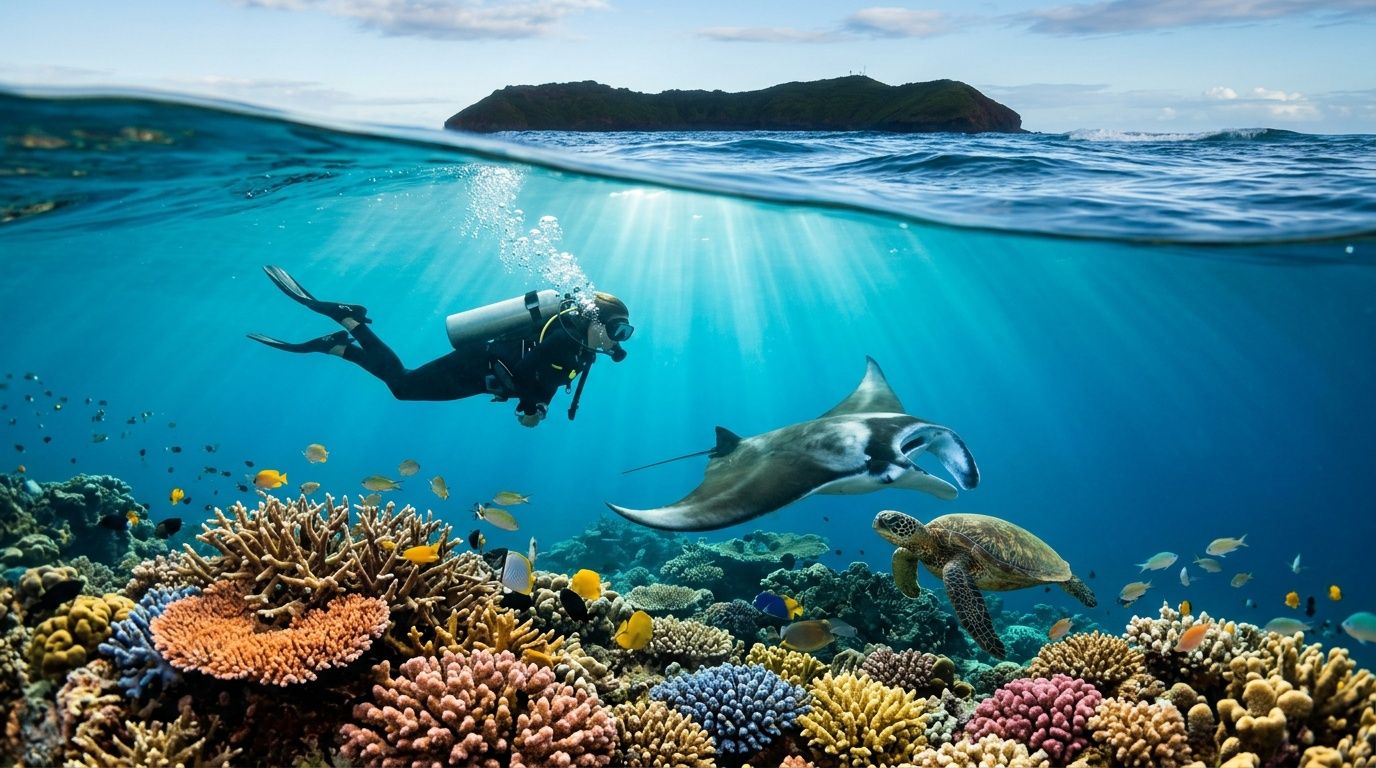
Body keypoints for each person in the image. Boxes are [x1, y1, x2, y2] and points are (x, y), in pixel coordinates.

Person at [247, 265, 632, 427]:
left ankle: (340, 343)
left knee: (404, 387)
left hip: (483, 376)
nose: (617, 339)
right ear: (596, 318)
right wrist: (535, 407)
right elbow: (534, 375)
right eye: (618, 329)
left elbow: (542, 377)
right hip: (478, 365)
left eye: (623, 334)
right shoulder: (568, 337)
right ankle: (347, 322)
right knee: (403, 385)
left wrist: (539, 402)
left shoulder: (580, 347)